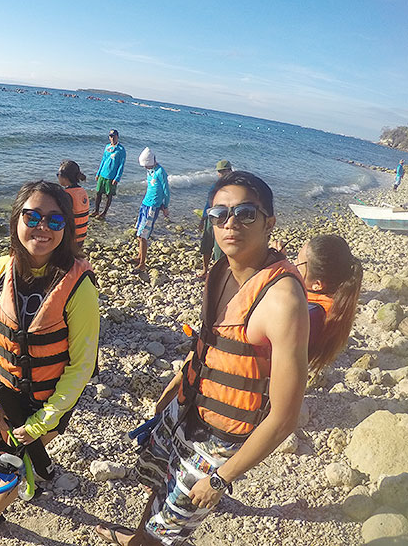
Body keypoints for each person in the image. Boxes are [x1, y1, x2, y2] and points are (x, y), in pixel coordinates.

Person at [96, 171, 310, 546]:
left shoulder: (282, 301)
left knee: (167, 530)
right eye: (219, 214)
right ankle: (137, 536)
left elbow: (284, 418)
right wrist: (176, 384)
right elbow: (209, 342)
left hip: (220, 438)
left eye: (246, 213)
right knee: (157, 481)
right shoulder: (222, 270)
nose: (231, 223)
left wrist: (221, 478)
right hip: (187, 405)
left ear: (269, 223)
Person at [0, 180, 98, 527]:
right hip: (6, 394)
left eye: (55, 220)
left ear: (67, 227)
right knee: (16, 451)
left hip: (51, 400)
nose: (42, 227)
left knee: (10, 456)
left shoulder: (79, 287)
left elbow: (81, 365)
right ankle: (38, 473)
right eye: (32, 217)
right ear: (16, 218)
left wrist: (40, 423)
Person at [274, 234, 363, 373]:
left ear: (317, 285)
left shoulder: (310, 314)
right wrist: (280, 262)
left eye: (298, 263)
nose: (292, 264)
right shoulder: (333, 299)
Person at [131, 147, 169, 274]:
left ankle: (142, 264)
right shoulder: (150, 171)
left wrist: (165, 206)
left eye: (146, 165)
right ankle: (139, 256)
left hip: (153, 206)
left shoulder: (160, 172)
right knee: (139, 232)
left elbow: (166, 190)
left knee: (143, 235)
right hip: (145, 204)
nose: (145, 168)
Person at [198, 160, 234, 278]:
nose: (221, 174)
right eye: (220, 172)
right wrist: (203, 219)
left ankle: (218, 274)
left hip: (223, 219)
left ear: (230, 171)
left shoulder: (234, 187)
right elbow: (208, 204)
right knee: (206, 243)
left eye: (224, 172)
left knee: (220, 248)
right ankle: (205, 269)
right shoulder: (215, 186)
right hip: (211, 217)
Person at [91, 129, 125, 219]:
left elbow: (121, 165)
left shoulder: (121, 150)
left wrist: (117, 178)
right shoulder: (107, 147)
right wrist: (98, 173)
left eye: (114, 136)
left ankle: (104, 213)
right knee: (98, 192)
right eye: (111, 136)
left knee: (108, 195)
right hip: (103, 174)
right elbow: (103, 160)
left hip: (111, 176)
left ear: (117, 137)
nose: (112, 138)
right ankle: (96, 210)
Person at [57, 159, 89, 247]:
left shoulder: (67, 194)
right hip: (81, 237)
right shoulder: (82, 191)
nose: (57, 177)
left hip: (70, 239)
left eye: (58, 174)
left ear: (65, 177)